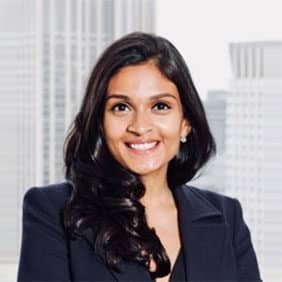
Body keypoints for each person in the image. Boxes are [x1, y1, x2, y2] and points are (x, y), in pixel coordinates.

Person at [17, 32, 262, 282]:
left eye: (160, 106)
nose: (140, 126)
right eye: (121, 107)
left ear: (185, 122)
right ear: (100, 122)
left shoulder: (227, 217)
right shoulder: (53, 211)